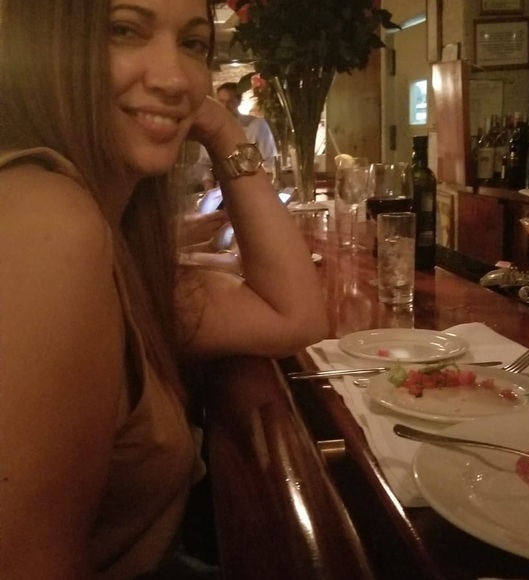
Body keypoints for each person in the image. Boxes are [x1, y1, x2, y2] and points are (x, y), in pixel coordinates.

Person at [0, 1, 328, 579]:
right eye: (124, 31)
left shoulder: (120, 236)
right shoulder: (43, 219)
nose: (176, 79)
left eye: (193, 44)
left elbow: (293, 316)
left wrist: (223, 129)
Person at [194, 81, 279, 190]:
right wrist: (208, 182)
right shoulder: (211, 129)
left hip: (254, 188)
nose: (225, 106)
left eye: (230, 102)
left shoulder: (258, 125)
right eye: (221, 101)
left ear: (238, 101)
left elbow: (270, 162)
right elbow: (203, 164)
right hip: (223, 190)